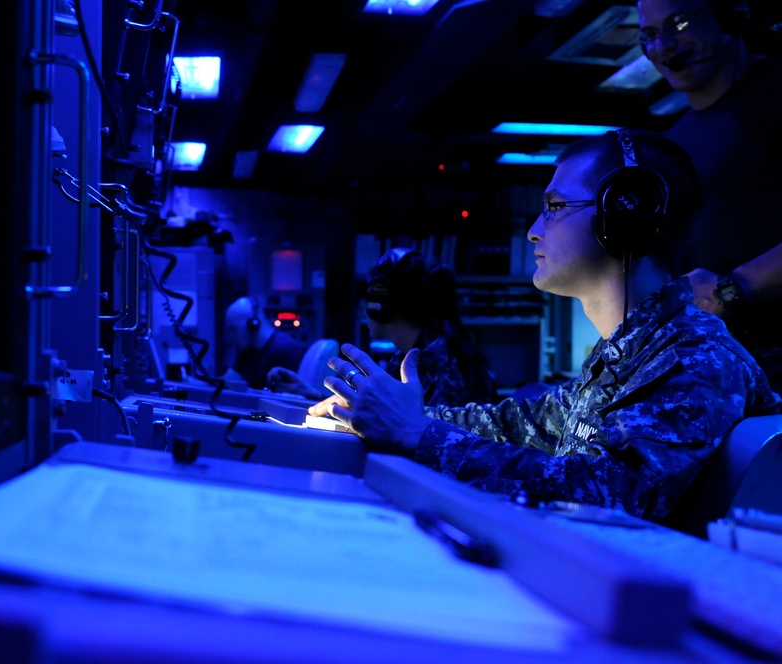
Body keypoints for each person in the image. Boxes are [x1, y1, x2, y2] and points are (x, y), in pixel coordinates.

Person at [308, 128, 781, 524]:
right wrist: (382, 413)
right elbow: (514, 425)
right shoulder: (630, 354)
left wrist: (416, 433)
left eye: (554, 208)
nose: (534, 229)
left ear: (625, 213)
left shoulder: (696, 360)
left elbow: (606, 495)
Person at [638, 0, 782, 394]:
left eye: (679, 23)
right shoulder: (672, 141)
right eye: (649, 36)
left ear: (730, 17)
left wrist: (731, 288)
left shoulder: (773, 92)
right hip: (719, 368)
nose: (663, 47)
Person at [267, 248, 497, 407]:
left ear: (382, 305)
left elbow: (427, 440)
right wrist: (311, 396)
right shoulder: (407, 357)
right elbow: (378, 414)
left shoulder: (442, 363)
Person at [221, 296, 303, 390]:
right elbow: (226, 380)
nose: (231, 336)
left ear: (253, 325)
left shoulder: (286, 350)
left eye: (234, 329)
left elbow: (287, 398)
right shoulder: (248, 350)